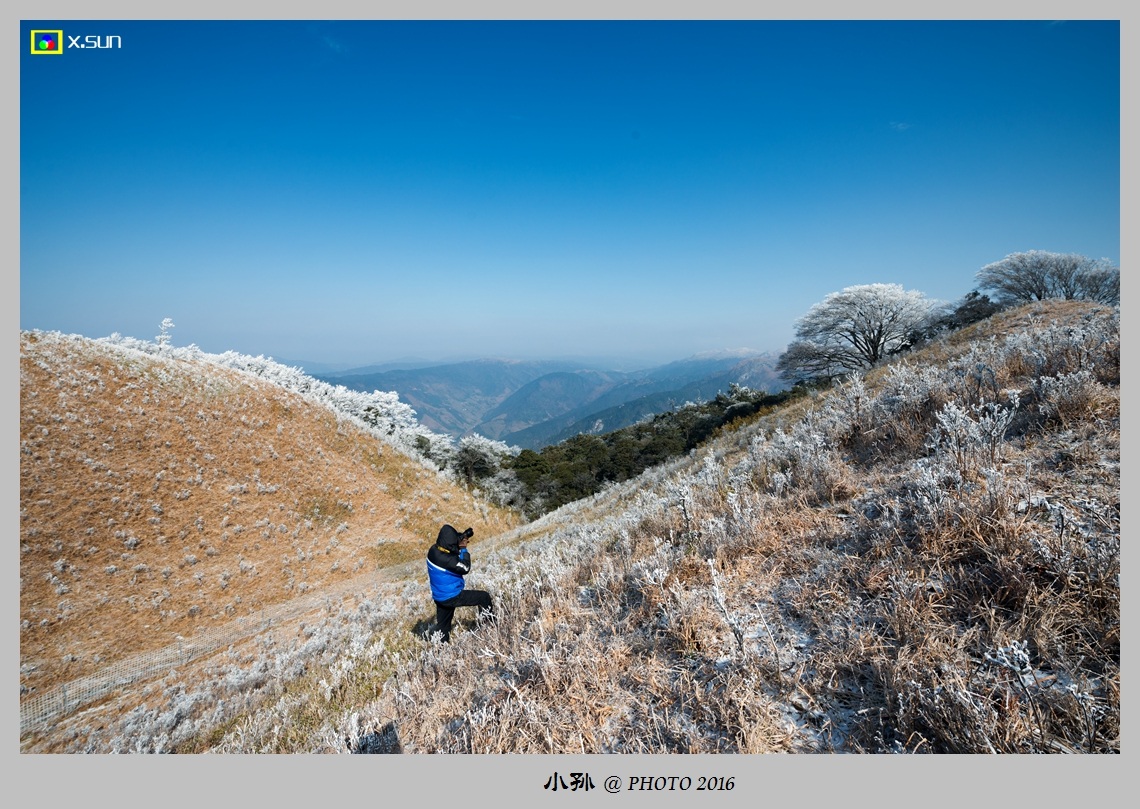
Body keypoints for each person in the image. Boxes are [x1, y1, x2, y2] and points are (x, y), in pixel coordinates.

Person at [425, 524, 495, 643]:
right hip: (452, 595)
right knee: (484, 597)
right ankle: (489, 629)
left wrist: (461, 536)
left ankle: (441, 652)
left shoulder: (433, 550)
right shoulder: (447, 560)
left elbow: (449, 546)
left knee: (443, 628)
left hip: (439, 596)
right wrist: (463, 548)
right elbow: (465, 567)